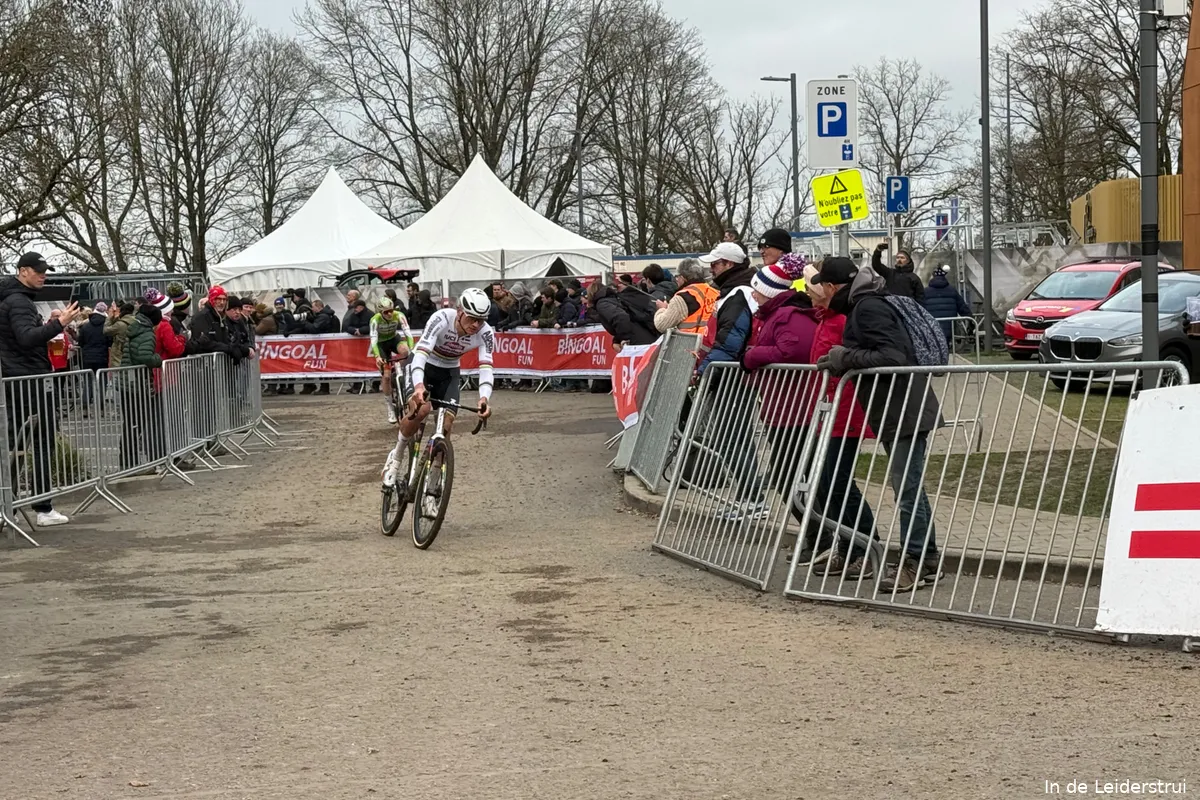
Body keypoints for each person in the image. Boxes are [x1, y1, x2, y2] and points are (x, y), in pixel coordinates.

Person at [810, 257, 944, 592]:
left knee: (907, 489)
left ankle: (915, 561)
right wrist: (845, 360)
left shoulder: (866, 308)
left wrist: (845, 357)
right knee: (909, 487)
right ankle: (925, 558)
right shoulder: (867, 303)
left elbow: (893, 356)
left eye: (824, 287)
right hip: (897, 408)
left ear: (831, 286)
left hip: (903, 408)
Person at [382, 289, 495, 520]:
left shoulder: (486, 333)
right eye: (471, 318)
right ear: (460, 311)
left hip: (449, 373)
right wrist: (419, 386)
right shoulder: (441, 318)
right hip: (424, 365)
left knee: (446, 429)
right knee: (422, 409)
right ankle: (396, 457)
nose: (476, 325)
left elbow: (486, 367)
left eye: (481, 320)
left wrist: (484, 398)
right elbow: (421, 354)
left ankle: (432, 493)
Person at [802, 263, 878, 579]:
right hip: (829, 409)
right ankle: (848, 547)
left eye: (813, 289)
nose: (808, 294)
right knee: (827, 482)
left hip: (846, 410)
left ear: (829, 289)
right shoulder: (825, 319)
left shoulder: (843, 318)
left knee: (838, 480)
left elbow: (849, 358)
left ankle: (868, 546)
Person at [0, 252, 81, 526]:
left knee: (16, 445)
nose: (43, 275)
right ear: (23, 271)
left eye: (45, 270)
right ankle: (43, 508)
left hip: (18, 379)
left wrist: (49, 325)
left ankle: (8, 507)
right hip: (30, 380)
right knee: (40, 442)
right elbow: (25, 338)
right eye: (38, 271)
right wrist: (59, 324)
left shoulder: (12, 299)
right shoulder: (19, 302)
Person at [741, 261, 820, 515]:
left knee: (787, 477)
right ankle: (817, 533)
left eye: (757, 290)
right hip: (784, 406)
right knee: (792, 475)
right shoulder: (777, 315)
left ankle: (817, 532)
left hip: (793, 409)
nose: (753, 295)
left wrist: (752, 356)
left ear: (771, 293)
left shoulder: (787, 316)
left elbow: (792, 351)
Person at [119, 300, 166, 469]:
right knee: (136, 423)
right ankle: (130, 464)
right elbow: (143, 356)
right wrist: (158, 359)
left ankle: (128, 461)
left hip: (127, 381)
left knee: (131, 424)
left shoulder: (134, 328)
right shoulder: (146, 333)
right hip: (136, 384)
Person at [695, 241, 754, 375]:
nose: (711, 269)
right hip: (725, 376)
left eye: (714, 264)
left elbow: (729, 344)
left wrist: (705, 372)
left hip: (730, 381)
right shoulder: (733, 291)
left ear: (729, 264)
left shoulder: (738, 294)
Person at [369, 297, 415, 424]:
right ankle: (390, 407)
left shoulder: (399, 315)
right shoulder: (374, 320)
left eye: (391, 310)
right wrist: (377, 356)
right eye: (386, 312)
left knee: (405, 351)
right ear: (379, 312)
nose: (390, 314)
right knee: (387, 377)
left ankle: (400, 372)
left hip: (394, 339)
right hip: (381, 345)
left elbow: (408, 333)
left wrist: (412, 350)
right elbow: (373, 339)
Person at [653, 258, 717, 333]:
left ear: (683, 277)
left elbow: (661, 325)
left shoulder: (682, 298)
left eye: (677, 276)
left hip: (689, 342)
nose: (676, 279)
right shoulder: (714, 292)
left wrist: (662, 309)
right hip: (710, 341)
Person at [590, 282, 657, 347]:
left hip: (636, 342)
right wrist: (617, 340)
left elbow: (621, 317)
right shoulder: (614, 299)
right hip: (645, 335)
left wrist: (625, 338)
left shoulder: (602, 304)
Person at [922, 267, 972, 345]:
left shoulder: (926, 292)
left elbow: (920, 308)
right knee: (946, 345)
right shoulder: (952, 290)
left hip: (932, 325)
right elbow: (962, 306)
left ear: (932, 277)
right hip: (949, 326)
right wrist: (970, 318)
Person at [144, 289, 187, 361]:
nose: (172, 311)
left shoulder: (150, 323)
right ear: (165, 311)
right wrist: (182, 338)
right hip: (165, 367)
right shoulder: (164, 326)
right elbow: (175, 350)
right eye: (170, 309)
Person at [105, 301, 134, 368]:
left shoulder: (120, 324)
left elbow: (106, 330)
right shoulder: (137, 321)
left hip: (119, 354)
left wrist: (109, 318)